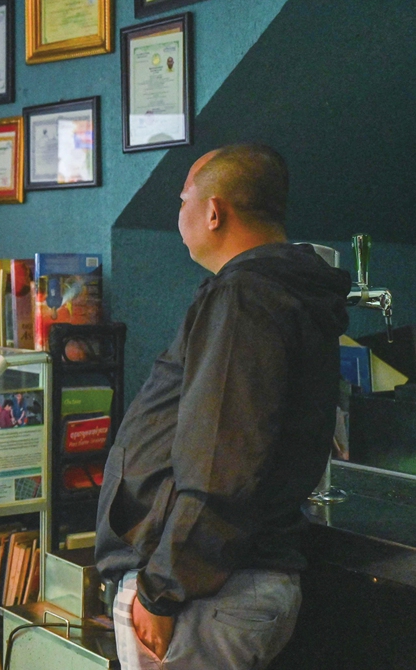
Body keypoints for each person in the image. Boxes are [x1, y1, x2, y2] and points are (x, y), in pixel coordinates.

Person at [94, 144, 351, 670]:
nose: (179, 213)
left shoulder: (246, 296)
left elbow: (221, 462)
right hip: (222, 587)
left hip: (206, 597)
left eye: (184, 198)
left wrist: (162, 590)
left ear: (214, 211)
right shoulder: (276, 289)